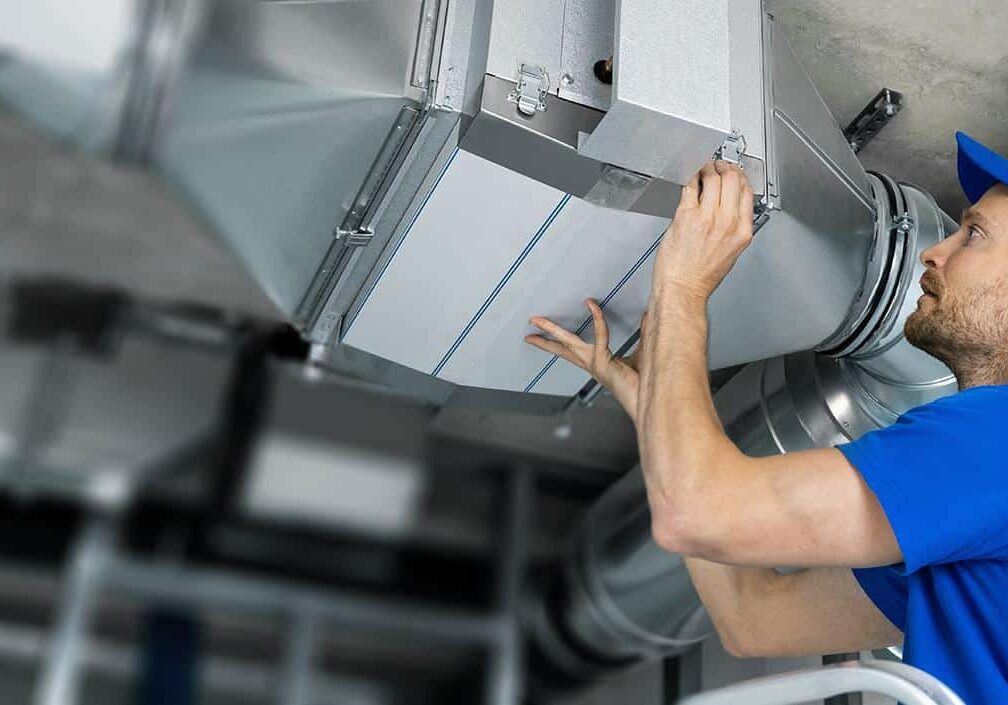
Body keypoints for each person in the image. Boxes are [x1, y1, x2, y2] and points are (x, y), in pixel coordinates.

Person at [524, 131, 1008, 703]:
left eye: (974, 234)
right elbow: (755, 618)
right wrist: (652, 402)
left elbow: (695, 515)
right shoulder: (968, 519)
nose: (936, 251)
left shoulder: (995, 442)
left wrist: (682, 284)